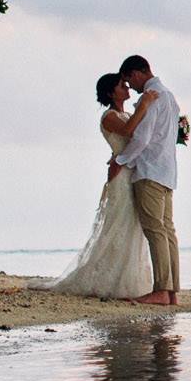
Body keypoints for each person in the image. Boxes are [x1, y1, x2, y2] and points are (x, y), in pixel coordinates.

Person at [43, 72, 159, 299]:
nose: (127, 88)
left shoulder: (126, 114)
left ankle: (129, 277)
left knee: (133, 225)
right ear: (110, 92)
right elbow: (128, 132)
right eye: (121, 86)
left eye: (127, 85)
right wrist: (144, 105)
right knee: (119, 223)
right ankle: (110, 278)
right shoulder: (109, 116)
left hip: (131, 170)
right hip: (121, 176)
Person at [109, 55, 182, 306]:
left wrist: (120, 162)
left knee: (155, 230)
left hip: (150, 171)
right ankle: (172, 293)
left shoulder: (150, 98)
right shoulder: (170, 97)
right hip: (168, 172)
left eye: (129, 79)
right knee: (168, 230)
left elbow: (142, 139)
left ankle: (162, 290)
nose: (131, 86)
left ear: (138, 73)